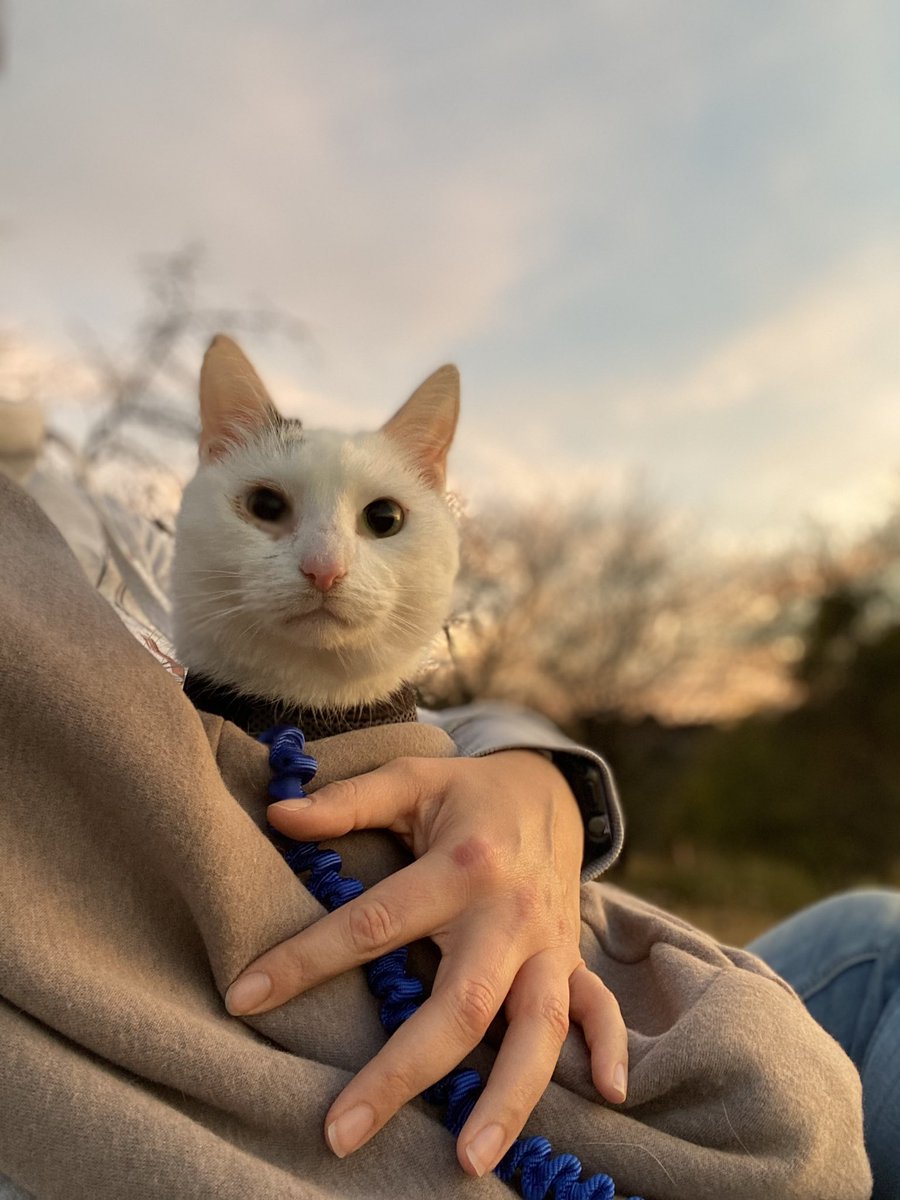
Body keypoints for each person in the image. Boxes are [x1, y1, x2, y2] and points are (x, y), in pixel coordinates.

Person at [0, 464, 872, 1199]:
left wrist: (538, 780)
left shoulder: (112, 522)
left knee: (870, 937)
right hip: (573, 1082)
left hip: (605, 981)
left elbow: (464, 711)